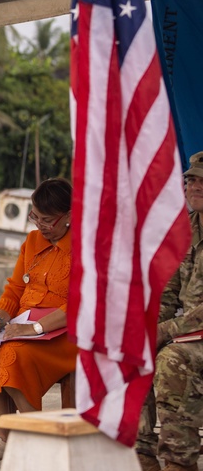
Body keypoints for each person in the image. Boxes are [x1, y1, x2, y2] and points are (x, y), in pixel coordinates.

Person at [0, 177, 76, 469]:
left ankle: (39, 440)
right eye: (35, 217)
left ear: (70, 216)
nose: (40, 226)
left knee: (13, 354)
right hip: (23, 327)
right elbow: (14, 290)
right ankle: (7, 441)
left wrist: (34, 328)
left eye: (47, 220)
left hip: (67, 334)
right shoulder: (32, 242)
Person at [136, 151, 203, 471]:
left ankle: (180, 462)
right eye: (191, 179)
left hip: (193, 335)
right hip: (187, 332)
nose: (195, 186)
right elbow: (167, 294)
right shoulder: (185, 230)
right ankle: (143, 454)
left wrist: (163, 333)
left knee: (171, 359)